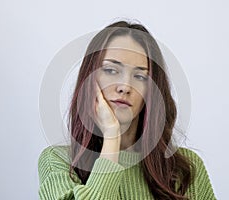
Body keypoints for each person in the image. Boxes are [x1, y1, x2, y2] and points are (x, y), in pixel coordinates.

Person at [38, 20, 216, 200]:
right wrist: (112, 137)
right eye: (111, 70)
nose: (125, 86)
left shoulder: (185, 169)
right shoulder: (58, 161)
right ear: (90, 80)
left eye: (139, 76)